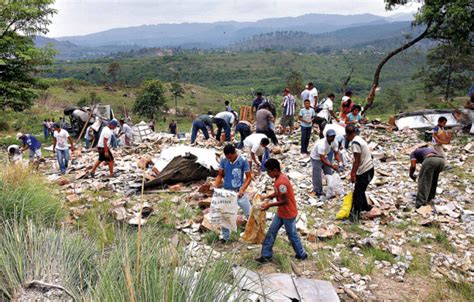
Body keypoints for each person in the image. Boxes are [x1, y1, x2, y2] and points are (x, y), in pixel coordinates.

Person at [256, 158, 307, 263]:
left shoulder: (281, 183)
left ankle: (301, 254)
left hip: (288, 213)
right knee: (271, 232)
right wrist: (268, 196)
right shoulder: (279, 178)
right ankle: (266, 255)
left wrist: (269, 205)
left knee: (292, 235)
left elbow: (285, 200)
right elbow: (277, 193)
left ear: (274, 170)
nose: (268, 174)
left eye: (269, 172)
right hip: (281, 212)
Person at [213, 144, 252, 243]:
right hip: (227, 192)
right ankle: (225, 237)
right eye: (227, 157)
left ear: (234, 153)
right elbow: (220, 175)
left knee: (250, 213)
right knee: (224, 215)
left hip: (239, 192)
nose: (229, 159)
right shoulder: (223, 160)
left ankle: (254, 233)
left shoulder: (243, 160)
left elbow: (248, 177)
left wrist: (242, 190)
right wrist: (215, 185)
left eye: (230, 157)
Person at [345, 125, 374, 221]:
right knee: (360, 189)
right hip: (369, 168)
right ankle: (365, 207)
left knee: (358, 193)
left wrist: (353, 174)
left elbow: (356, 160)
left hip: (364, 170)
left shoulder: (355, 143)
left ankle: (355, 216)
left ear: (348, 134)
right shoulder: (359, 139)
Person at [310, 129, 340, 197]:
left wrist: (339, 162)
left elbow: (336, 153)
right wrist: (332, 166)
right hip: (316, 158)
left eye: (333, 136)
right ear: (327, 136)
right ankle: (318, 191)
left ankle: (330, 188)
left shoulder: (335, 141)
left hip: (324, 156)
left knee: (329, 173)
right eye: (331, 136)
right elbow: (322, 159)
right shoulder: (322, 144)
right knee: (317, 175)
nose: (332, 138)